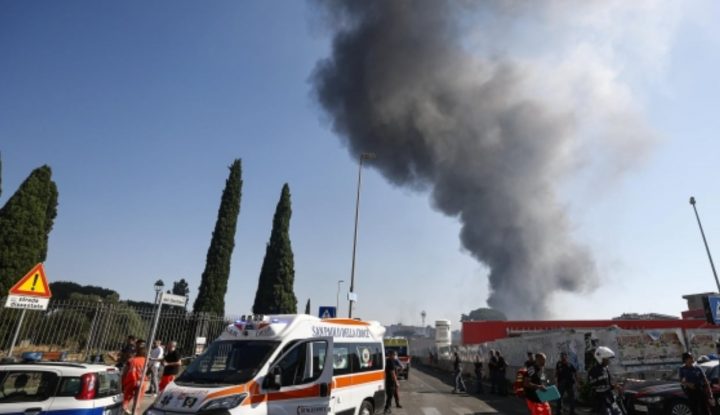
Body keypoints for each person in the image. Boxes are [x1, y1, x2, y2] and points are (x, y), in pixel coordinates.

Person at [588, 346, 626, 415]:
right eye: (606, 359)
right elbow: (594, 386)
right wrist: (610, 387)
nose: (608, 361)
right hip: (601, 400)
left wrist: (616, 386)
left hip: (610, 397)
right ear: (600, 358)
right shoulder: (593, 371)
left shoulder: (605, 369)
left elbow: (608, 384)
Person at [122, 345, 148, 414]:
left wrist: (123, 383)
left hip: (132, 380)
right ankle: (135, 413)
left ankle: (125, 410)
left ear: (137, 352)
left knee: (126, 400)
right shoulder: (146, 361)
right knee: (137, 401)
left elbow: (125, 372)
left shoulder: (131, 360)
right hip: (142, 381)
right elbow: (147, 371)